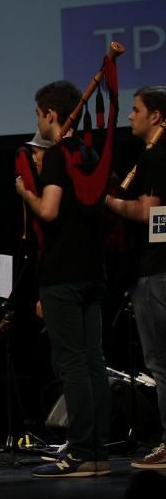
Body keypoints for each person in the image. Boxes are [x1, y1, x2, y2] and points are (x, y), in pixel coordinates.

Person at [16, 80, 110, 478]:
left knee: (72, 363)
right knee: (93, 363)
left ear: (51, 114)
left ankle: (83, 452)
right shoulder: (90, 153)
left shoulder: (57, 155)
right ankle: (96, 452)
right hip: (93, 271)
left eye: (38, 115)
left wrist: (25, 192)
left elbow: (50, 211)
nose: (37, 121)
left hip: (62, 273)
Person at [104, 85, 166, 470]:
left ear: (156, 116)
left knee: (160, 363)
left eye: (136, 109)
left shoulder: (157, 157)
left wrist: (103, 200)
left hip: (158, 271)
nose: (130, 115)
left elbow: (151, 215)